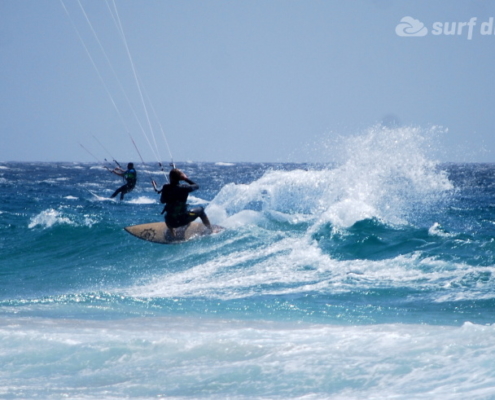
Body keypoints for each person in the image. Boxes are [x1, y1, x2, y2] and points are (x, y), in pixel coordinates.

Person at [153, 168, 212, 237]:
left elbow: (162, 201)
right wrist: (185, 178)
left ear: (170, 177)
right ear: (180, 178)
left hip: (170, 222)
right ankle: (210, 230)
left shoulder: (165, 188)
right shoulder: (185, 188)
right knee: (201, 210)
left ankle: (173, 233)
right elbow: (196, 186)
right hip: (183, 220)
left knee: (168, 214)